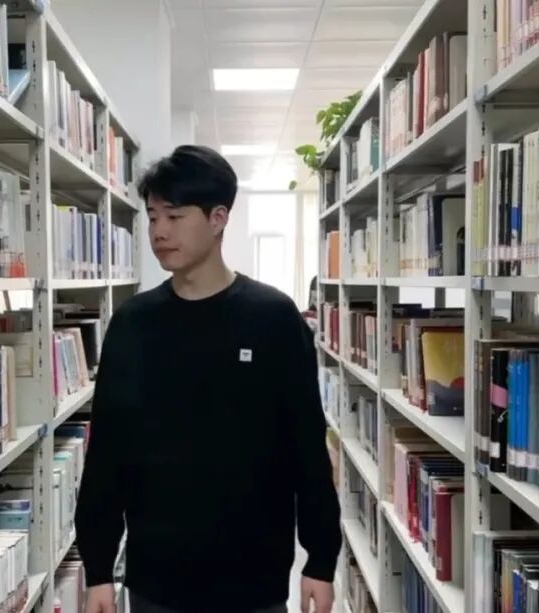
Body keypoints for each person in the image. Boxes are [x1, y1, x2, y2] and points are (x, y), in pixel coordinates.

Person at [75, 145, 342, 613]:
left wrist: (320, 559)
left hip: (254, 581)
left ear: (218, 219)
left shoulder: (274, 318)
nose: (159, 231)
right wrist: (97, 569)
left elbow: (305, 446)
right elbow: (107, 455)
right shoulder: (133, 324)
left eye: (175, 216)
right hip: (157, 581)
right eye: (153, 217)